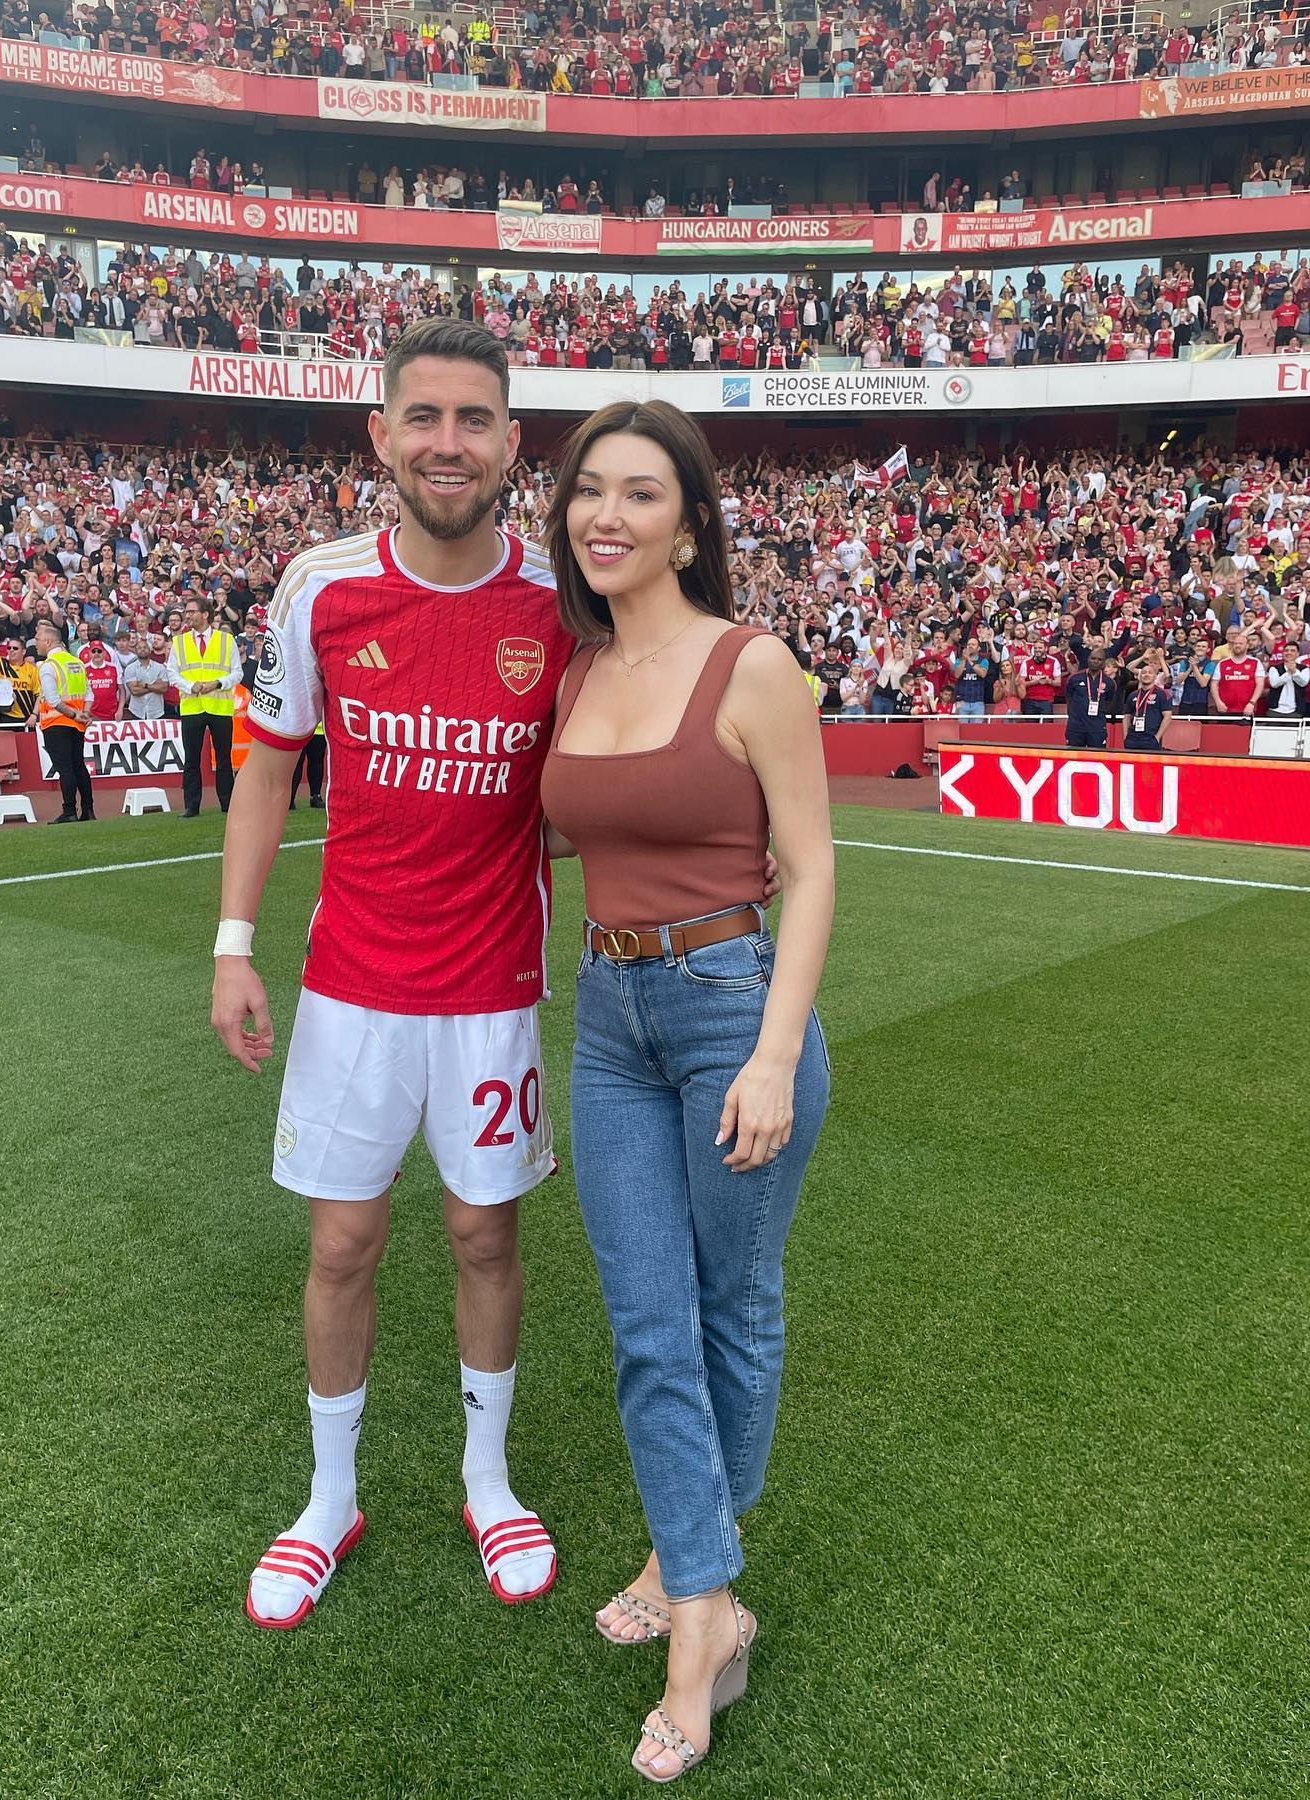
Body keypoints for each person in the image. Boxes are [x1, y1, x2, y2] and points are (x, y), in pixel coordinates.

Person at [210, 319, 579, 1632]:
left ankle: (488, 1479)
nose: (447, 442)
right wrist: (235, 947)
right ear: (380, 434)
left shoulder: (558, 597)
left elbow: (597, 775)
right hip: (352, 985)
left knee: (487, 1231)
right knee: (343, 1239)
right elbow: (264, 767)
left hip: (492, 993)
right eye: (422, 416)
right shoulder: (314, 587)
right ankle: (328, 1498)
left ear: (512, 444)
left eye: (475, 419)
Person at [540, 400, 835, 1784]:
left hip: (731, 1011)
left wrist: (775, 1054)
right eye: (589, 491)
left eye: (639, 495)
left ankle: (690, 1605)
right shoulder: (576, 669)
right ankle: (707, 1594)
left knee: (732, 1306)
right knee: (648, 1327)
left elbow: (815, 867)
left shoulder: (753, 664)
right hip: (607, 1020)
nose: (607, 514)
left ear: (692, 523)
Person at [170, 598, 242, 816]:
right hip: (192, 706)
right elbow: (172, 672)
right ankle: (191, 805)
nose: (187, 615)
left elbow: (237, 672)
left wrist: (217, 683)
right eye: (187, 611)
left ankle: (227, 803)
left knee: (223, 758)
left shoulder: (226, 641)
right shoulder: (179, 642)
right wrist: (191, 686)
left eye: (192, 611)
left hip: (219, 706)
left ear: (205, 614)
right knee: (191, 758)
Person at [36, 618, 95, 822]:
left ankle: (69, 810)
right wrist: (84, 714)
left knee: (66, 769)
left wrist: (73, 714)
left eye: (39, 639)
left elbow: (52, 699)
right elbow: (89, 693)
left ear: (49, 642)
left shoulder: (47, 666)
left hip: (57, 723)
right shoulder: (77, 662)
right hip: (77, 724)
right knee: (79, 766)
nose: (36, 643)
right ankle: (88, 810)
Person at [1063, 647, 1111, 748]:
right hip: (1076, 726)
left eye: (1099, 659)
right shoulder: (1074, 678)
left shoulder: (1109, 682)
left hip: (1097, 727)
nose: (1096, 661)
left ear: (1103, 663)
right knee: (1073, 758)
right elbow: (1069, 699)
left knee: (1097, 758)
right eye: (1093, 658)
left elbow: (1108, 702)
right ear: (1088, 659)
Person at [1121, 661, 1173, 751]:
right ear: (1139, 676)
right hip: (1132, 739)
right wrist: (1126, 737)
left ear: (1155, 676)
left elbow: (1167, 717)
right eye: (1144, 673)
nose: (1146, 675)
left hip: (1151, 739)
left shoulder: (1163, 694)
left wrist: (1157, 737)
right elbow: (1126, 717)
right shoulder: (1132, 695)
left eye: (1150, 673)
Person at [289, 721, 326, 809]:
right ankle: (291, 798)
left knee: (317, 763)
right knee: (297, 764)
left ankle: (316, 796)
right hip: (298, 731)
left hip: (318, 731)